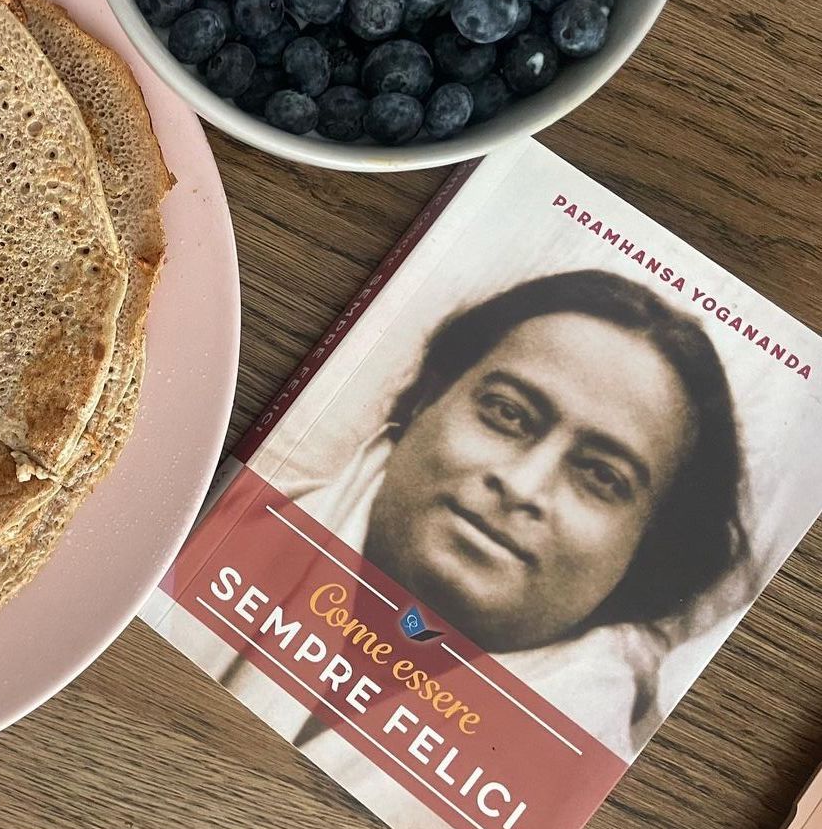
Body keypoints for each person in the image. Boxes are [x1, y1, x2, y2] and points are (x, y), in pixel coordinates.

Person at [218, 268, 748, 760]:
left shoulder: (577, 778)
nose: (523, 485)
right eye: (507, 413)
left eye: (603, 475)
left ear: (646, 550)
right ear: (427, 399)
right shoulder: (204, 526)